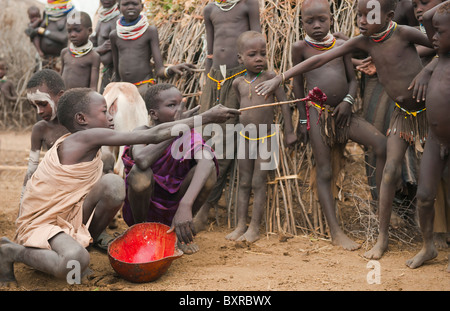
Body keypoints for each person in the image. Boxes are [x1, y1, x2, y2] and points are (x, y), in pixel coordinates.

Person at [0, 87, 239, 287]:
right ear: (82, 120)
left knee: (114, 184)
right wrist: (205, 118)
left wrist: (185, 123)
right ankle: (12, 251)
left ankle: (86, 242)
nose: (112, 117)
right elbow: (155, 135)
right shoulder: (86, 138)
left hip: (68, 215)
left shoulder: (88, 145)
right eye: (105, 112)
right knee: (74, 262)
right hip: (44, 222)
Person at [256, 0, 433, 257]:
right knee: (329, 169)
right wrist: (280, 78)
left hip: (421, 112)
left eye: (368, 15)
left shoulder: (397, 33)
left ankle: (401, 223)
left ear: (389, 16)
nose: (361, 21)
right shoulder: (355, 43)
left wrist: (428, 72)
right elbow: (316, 64)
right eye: (359, 15)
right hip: (339, 115)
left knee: (407, 163)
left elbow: (439, 43)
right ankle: (365, 234)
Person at [290, 0, 386, 250]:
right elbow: (298, 86)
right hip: (317, 114)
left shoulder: (342, 45)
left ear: (331, 19)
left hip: (344, 114)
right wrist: (302, 119)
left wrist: (347, 101)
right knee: (324, 171)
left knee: (380, 144)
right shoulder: (299, 48)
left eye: (322, 19)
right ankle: (335, 231)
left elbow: (352, 80)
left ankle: (383, 209)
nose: (317, 25)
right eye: (310, 21)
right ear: (302, 23)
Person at [121, 84, 219, 254]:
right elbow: (142, 160)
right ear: (154, 114)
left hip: (177, 209)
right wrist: (175, 131)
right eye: (172, 105)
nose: (179, 110)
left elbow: (206, 161)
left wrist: (185, 205)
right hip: (144, 209)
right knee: (139, 174)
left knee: (208, 169)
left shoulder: (189, 134)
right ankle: (142, 232)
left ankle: (178, 232)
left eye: (182, 105)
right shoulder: (142, 132)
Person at [194, 0, 262, 232]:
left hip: (238, 77)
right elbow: (210, 50)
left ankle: (205, 208)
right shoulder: (210, 9)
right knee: (203, 139)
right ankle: (194, 203)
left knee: (225, 142)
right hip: (214, 78)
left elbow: (257, 40)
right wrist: (207, 76)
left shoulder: (247, 4)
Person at [225, 31, 296, 243]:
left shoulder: (271, 78)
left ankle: (254, 227)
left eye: (263, 54)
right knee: (244, 181)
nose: (259, 59)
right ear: (240, 59)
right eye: (252, 54)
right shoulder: (238, 83)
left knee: (258, 181)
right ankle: (240, 225)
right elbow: (239, 108)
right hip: (245, 137)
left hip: (267, 137)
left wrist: (289, 132)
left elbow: (284, 105)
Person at [405, 1, 450, 271]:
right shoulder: (440, 58)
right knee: (424, 196)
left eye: (440, 33)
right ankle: (428, 246)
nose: (432, 36)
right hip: (436, 138)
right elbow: (433, 16)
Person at [110, 0, 195, 98]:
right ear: (118, 7)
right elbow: (116, 72)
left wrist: (170, 69)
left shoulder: (150, 31)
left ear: (142, 7)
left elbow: (159, 70)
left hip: (144, 87)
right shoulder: (114, 35)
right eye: (126, 4)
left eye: (134, 4)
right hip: (123, 89)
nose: (130, 7)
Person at [21, 69, 69, 199]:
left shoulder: (78, 123)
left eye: (42, 104)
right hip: (53, 189)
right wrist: (23, 204)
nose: (39, 111)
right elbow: (31, 170)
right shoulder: (40, 129)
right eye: (34, 106)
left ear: (60, 96)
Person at [60, 11, 101, 90]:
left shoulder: (93, 56)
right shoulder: (64, 53)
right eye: (69, 31)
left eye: (77, 30)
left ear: (89, 31)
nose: (73, 34)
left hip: (82, 99)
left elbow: (93, 87)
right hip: (63, 99)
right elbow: (60, 80)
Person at [31, 0, 75, 72]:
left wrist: (44, 32)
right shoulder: (47, 12)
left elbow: (63, 38)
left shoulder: (71, 13)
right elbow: (34, 32)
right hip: (43, 58)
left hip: (57, 60)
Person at [90, 0, 121, 93]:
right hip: (105, 70)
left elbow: (114, 43)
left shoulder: (119, 19)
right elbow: (92, 43)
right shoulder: (101, 19)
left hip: (117, 71)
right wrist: (99, 49)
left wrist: (97, 49)